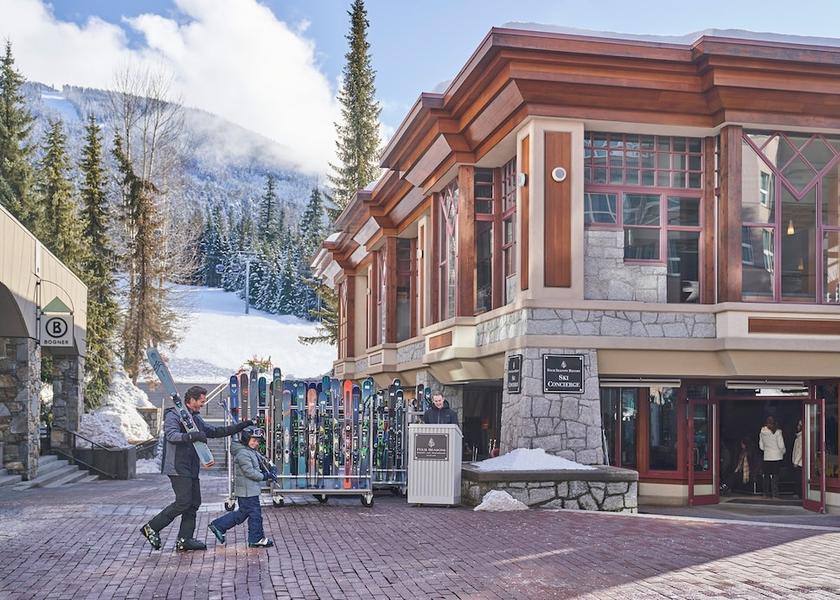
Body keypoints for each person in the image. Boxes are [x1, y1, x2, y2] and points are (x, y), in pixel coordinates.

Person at [140, 386, 254, 551]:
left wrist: (241, 426)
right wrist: (192, 435)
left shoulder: (196, 418)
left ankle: (184, 539)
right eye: (201, 401)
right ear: (191, 400)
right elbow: (171, 435)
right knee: (183, 502)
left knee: (194, 503)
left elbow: (215, 431)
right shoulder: (174, 415)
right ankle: (152, 527)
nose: (203, 404)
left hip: (191, 466)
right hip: (177, 466)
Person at [208, 427, 275, 548]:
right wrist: (265, 476)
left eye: (257, 441)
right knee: (255, 515)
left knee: (243, 513)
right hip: (247, 491)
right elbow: (249, 472)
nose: (256, 443)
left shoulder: (249, 451)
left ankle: (219, 525)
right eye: (253, 440)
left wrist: (270, 468)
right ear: (246, 439)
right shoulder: (243, 453)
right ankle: (256, 538)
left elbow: (259, 462)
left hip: (248, 489)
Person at [759, 415, 785, 498]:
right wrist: (783, 451)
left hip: (767, 456)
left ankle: (765, 493)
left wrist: (767, 450)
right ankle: (775, 494)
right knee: (775, 476)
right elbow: (781, 445)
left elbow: (761, 446)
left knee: (766, 476)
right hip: (776, 456)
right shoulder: (778, 432)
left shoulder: (762, 432)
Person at [792, 419, 803, 498]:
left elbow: (800, 450)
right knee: (797, 478)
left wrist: (796, 462)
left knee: (798, 478)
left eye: (799, 425)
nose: (797, 427)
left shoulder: (801, 437)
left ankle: (799, 493)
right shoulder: (798, 437)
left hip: (799, 463)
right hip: (797, 462)